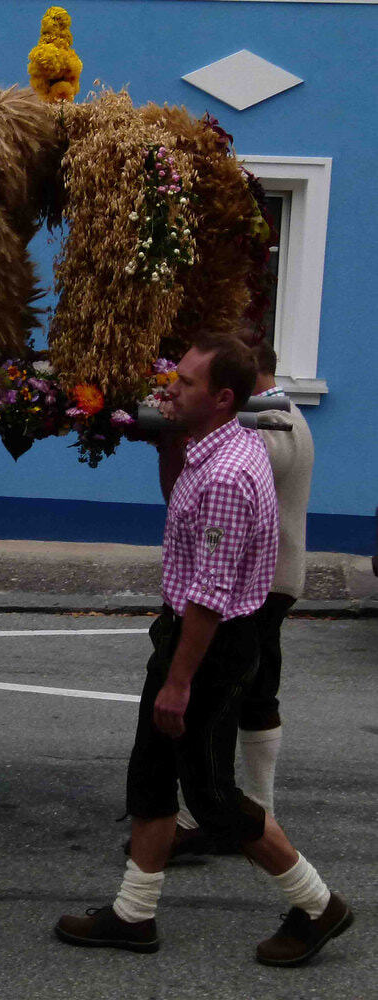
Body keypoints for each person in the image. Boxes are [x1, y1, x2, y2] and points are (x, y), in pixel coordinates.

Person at [55, 334, 353, 967]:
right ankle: (134, 914)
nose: (171, 387)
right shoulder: (213, 449)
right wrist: (167, 441)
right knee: (152, 774)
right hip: (190, 635)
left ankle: (317, 903)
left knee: (212, 795)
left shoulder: (226, 473)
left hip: (211, 647)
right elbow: (182, 513)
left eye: (186, 382)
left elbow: (212, 595)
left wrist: (178, 680)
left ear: (222, 398)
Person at [172, 338, 314, 852]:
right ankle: (249, 807)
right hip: (273, 577)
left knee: (232, 695)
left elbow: (230, 478)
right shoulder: (284, 416)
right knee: (254, 691)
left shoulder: (271, 427)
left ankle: (233, 814)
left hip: (261, 583)